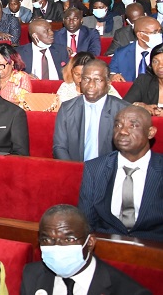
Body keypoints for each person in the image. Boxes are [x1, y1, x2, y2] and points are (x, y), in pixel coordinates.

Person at [21, 204, 151, 295]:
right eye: (47, 240)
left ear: (90, 242)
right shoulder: (31, 275)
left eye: (69, 239)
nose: (57, 247)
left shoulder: (129, 292)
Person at [77, 105, 163, 242]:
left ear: (150, 132)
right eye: (118, 125)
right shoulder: (94, 168)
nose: (122, 131)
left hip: (154, 250)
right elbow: (86, 222)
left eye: (133, 125)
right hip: (106, 246)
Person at [53, 60, 130, 161]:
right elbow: (59, 147)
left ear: (108, 83)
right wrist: (74, 170)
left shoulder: (124, 111)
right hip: (75, 170)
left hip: (110, 172)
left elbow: (128, 151)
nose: (91, 85)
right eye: (86, 79)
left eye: (97, 80)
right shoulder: (67, 108)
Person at [109, 16, 162, 82]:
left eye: (160, 31)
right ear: (140, 35)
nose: (159, 35)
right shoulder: (121, 53)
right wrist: (113, 76)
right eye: (154, 32)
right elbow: (111, 72)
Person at [56, 52, 122, 104]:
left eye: (85, 76)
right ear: (71, 71)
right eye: (77, 74)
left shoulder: (105, 87)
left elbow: (118, 107)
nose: (80, 79)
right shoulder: (65, 87)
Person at [124, 43, 163, 115]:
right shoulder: (143, 81)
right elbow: (123, 106)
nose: (160, 66)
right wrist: (140, 107)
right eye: (155, 61)